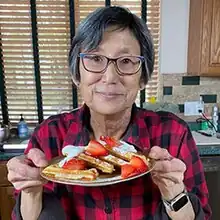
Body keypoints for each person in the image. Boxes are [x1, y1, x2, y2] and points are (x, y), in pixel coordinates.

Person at [7, 6, 211, 220]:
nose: (110, 77)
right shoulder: (49, 136)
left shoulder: (173, 134)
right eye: (95, 59)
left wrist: (174, 192)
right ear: (77, 73)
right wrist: (31, 190)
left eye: (126, 61)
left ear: (143, 77)